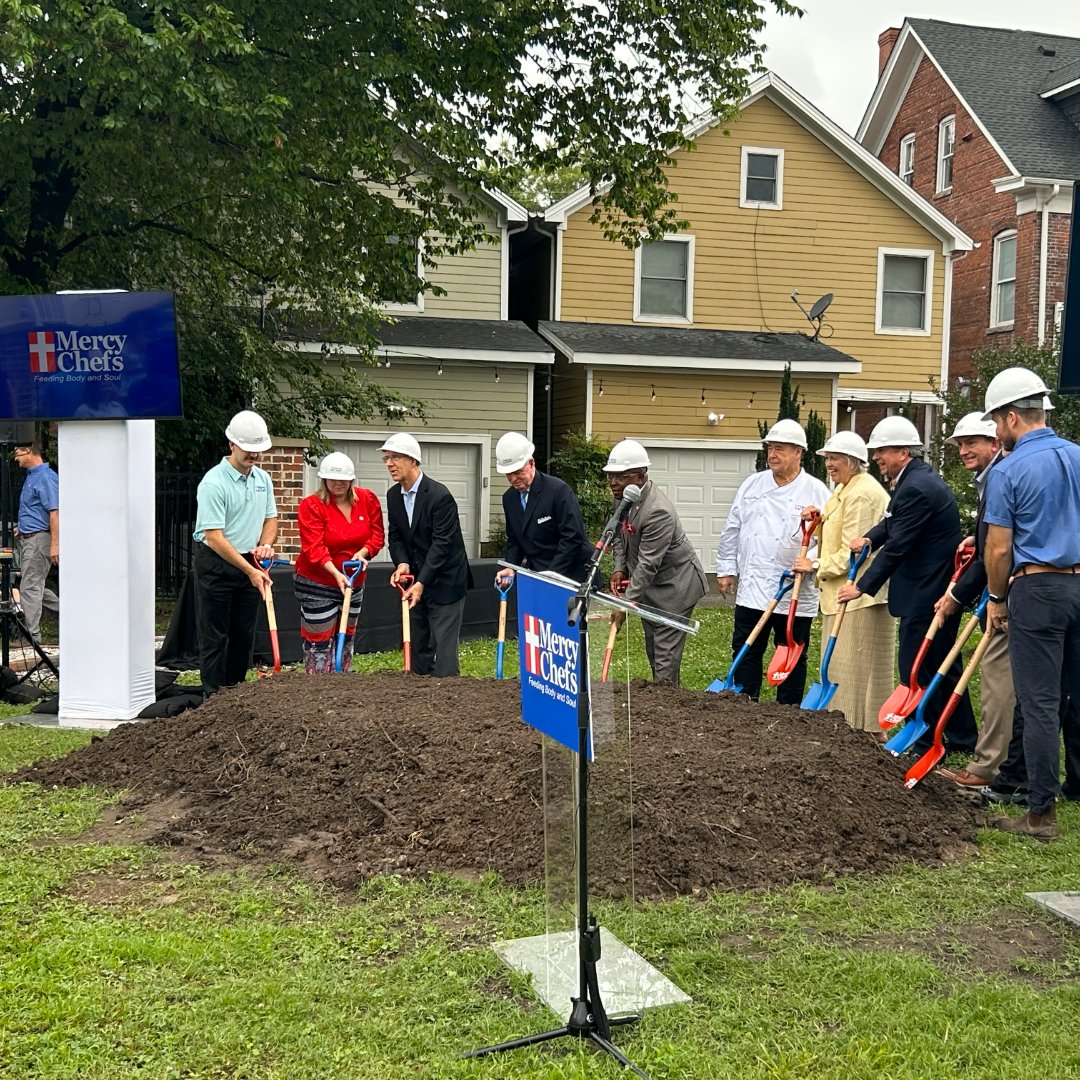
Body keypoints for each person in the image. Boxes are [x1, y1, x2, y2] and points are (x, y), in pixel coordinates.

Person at [838, 415, 978, 755]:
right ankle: (962, 737)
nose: (876, 458)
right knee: (941, 663)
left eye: (882, 451)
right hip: (932, 588)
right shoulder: (914, 479)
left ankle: (924, 738)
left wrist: (863, 585)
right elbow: (891, 522)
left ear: (903, 451)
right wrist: (869, 539)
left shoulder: (915, 487)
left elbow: (899, 545)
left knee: (915, 667)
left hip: (926, 592)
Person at [983, 367, 1080, 841]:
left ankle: (1040, 813)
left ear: (1010, 418)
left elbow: (998, 548)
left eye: (995, 423)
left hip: (1038, 589)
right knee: (1073, 696)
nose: (996, 432)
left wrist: (997, 599)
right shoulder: (1078, 456)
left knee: (1039, 704)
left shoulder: (1009, 469)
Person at [716, 419, 830, 704]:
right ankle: (744, 701)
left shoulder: (816, 492)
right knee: (746, 646)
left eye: (780, 449)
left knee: (790, 650)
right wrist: (727, 569)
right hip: (754, 585)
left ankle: (788, 709)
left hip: (793, 589)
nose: (772, 455)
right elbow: (733, 528)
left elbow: (830, 538)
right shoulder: (752, 485)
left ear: (798, 453)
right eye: (770, 448)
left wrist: (811, 562)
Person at [931, 412, 1014, 789]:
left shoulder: (1001, 475)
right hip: (1031, 587)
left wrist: (955, 596)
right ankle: (1013, 762)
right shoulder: (990, 478)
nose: (964, 451)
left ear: (994, 442)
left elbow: (995, 553)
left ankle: (987, 766)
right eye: (960, 445)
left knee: (997, 680)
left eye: (972, 443)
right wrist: (975, 538)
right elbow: (991, 538)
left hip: (1010, 592)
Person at [792, 431, 893, 736]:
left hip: (859, 596)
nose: (829, 465)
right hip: (840, 596)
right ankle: (854, 732)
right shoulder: (843, 490)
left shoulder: (862, 493)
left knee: (855, 670)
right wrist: (818, 519)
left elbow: (856, 549)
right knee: (842, 668)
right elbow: (836, 531)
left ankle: (858, 734)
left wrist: (816, 564)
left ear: (853, 461)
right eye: (827, 459)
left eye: (834, 459)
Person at [605, 439, 707, 685]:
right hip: (650, 585)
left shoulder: (658, 511)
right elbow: (617, 536)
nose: (613, 482)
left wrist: (626, 603)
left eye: (620, 476)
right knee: (653, 646)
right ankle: (665, 696)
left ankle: (667, 706)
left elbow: (648, 563)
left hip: (676, 586)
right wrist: (619, 568)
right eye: (610, 476)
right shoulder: (624, 498)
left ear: (640, 477)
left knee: (664, 653)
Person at [192, 410, 278, 696]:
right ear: (231, 444)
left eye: (258, 450)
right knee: (215, 635)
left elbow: (270, 520)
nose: (254, 455)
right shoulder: (213, 483)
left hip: (251, 562)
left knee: (243, 634)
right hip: (217, 564)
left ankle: (235, 692)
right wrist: (250, 570)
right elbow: (214, 537)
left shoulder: (262, 479)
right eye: (248, 449)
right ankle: (213, 695)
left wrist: (265, 545)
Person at [382, 432, 471, 677]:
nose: (389, 463)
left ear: (413, 461)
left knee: (444, 648)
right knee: (419, 642)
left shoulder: (439, 496)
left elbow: (442, 544)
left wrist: (422, 582)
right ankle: (419, 699)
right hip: (416, 579)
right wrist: (402, 563)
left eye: (395, 457)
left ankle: (448, 696)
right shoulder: (393, 496)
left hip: (446, 580)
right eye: (387, 458)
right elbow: (397, 536)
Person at [294, 452, 384, 674]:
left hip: (353, 582)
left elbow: (377, 535)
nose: (338, 483)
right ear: (324, 479)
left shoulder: (367, 499)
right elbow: (314, 548)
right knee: (320, 640)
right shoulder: (312, 505)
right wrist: (335, 573)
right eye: (333, 479)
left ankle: (341, 683)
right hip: (318, 582)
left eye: (343, 479)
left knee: (346, 634)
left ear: (352, 479)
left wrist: (363, 553)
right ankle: (318, 685)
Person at [493, 431, 593, 587]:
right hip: (539, 575)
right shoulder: (509, 498)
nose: (513, 479)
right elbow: (515, 540)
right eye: (508, 474)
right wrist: (510, 567)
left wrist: (552, 575)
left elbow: (572, 537)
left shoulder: (558, 490)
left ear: (531, 463)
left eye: (518, 472)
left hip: (573, 575)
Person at [13, 443, 60, 644]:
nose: (16, 458)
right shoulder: (33, 477)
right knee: (33, 584)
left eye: (17, 453)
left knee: (29, 587)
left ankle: (32, 637)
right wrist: (22, 527)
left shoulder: (46, 478)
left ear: (28, 451)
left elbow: (55, 512)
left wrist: (55, 544)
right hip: (30, 537)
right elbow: (36, 511)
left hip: (39, 539)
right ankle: (74, 613)